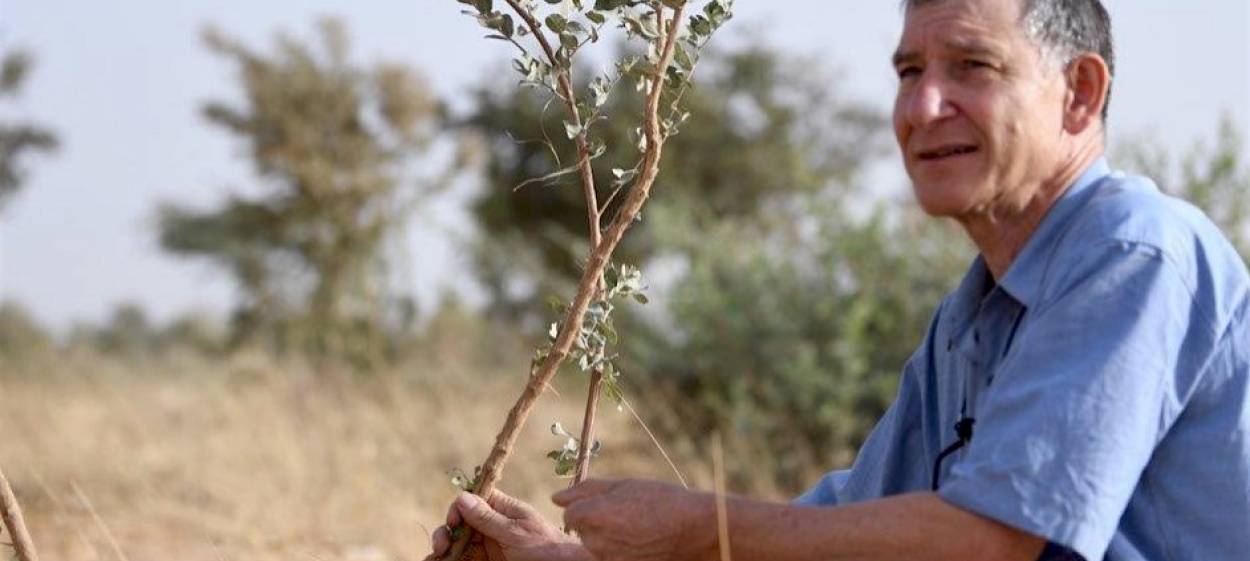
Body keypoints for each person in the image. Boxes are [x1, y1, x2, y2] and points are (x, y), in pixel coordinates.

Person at [426, 0, 1250, 559]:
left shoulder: (1137, 254)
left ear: (1080, 93)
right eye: (907, 72)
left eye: (971, 67)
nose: (924, 107)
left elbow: (989, 542)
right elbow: (839, 533)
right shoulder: (971, 319)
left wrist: (698, 528)